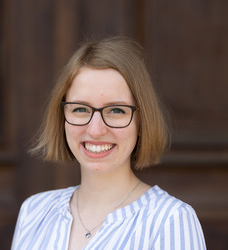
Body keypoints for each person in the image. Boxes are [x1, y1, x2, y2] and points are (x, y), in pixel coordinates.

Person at [11, 37, 206, 250]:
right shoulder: (34, 211)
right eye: (80, 109)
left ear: (141, 122)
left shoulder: (170, 220)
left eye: (116, 111)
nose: (96, 130)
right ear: (62, 116)